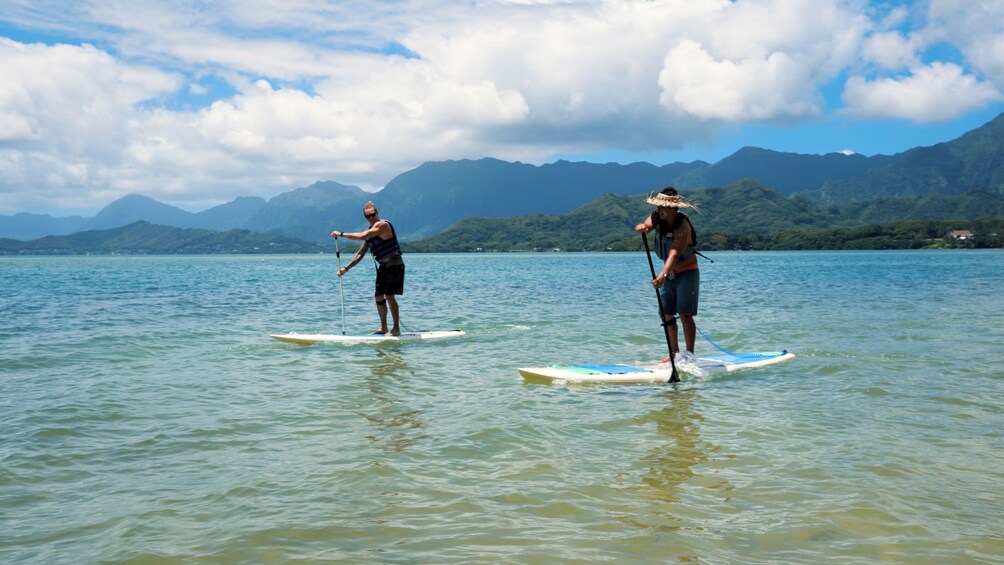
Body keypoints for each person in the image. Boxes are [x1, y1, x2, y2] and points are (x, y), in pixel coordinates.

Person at [634, 186, 700, 361]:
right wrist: (643, 228)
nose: (658, 209)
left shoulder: (683, 227)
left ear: (672, 208)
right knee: (666, 313)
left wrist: (662, 275)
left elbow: (673, 254)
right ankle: (674, 353)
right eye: (658, 206)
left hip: (687, 273)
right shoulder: (657, 216)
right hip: (668, 274)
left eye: (662, 207)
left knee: (685, 314)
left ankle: (689, 354)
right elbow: (647, 225)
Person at [331, 201, 406, 335]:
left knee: (389, 295)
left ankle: (396, 329)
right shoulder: (371, 233)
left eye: (373, 215)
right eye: (368, 216)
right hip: (383, 266)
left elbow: (362, 236)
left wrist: (341, 234)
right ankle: (383, 328)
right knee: (378, 296)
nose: (371, 218)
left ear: (377, 213)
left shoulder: (383, 225)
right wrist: (345, 269)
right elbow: (360, 253)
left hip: (395, 265)